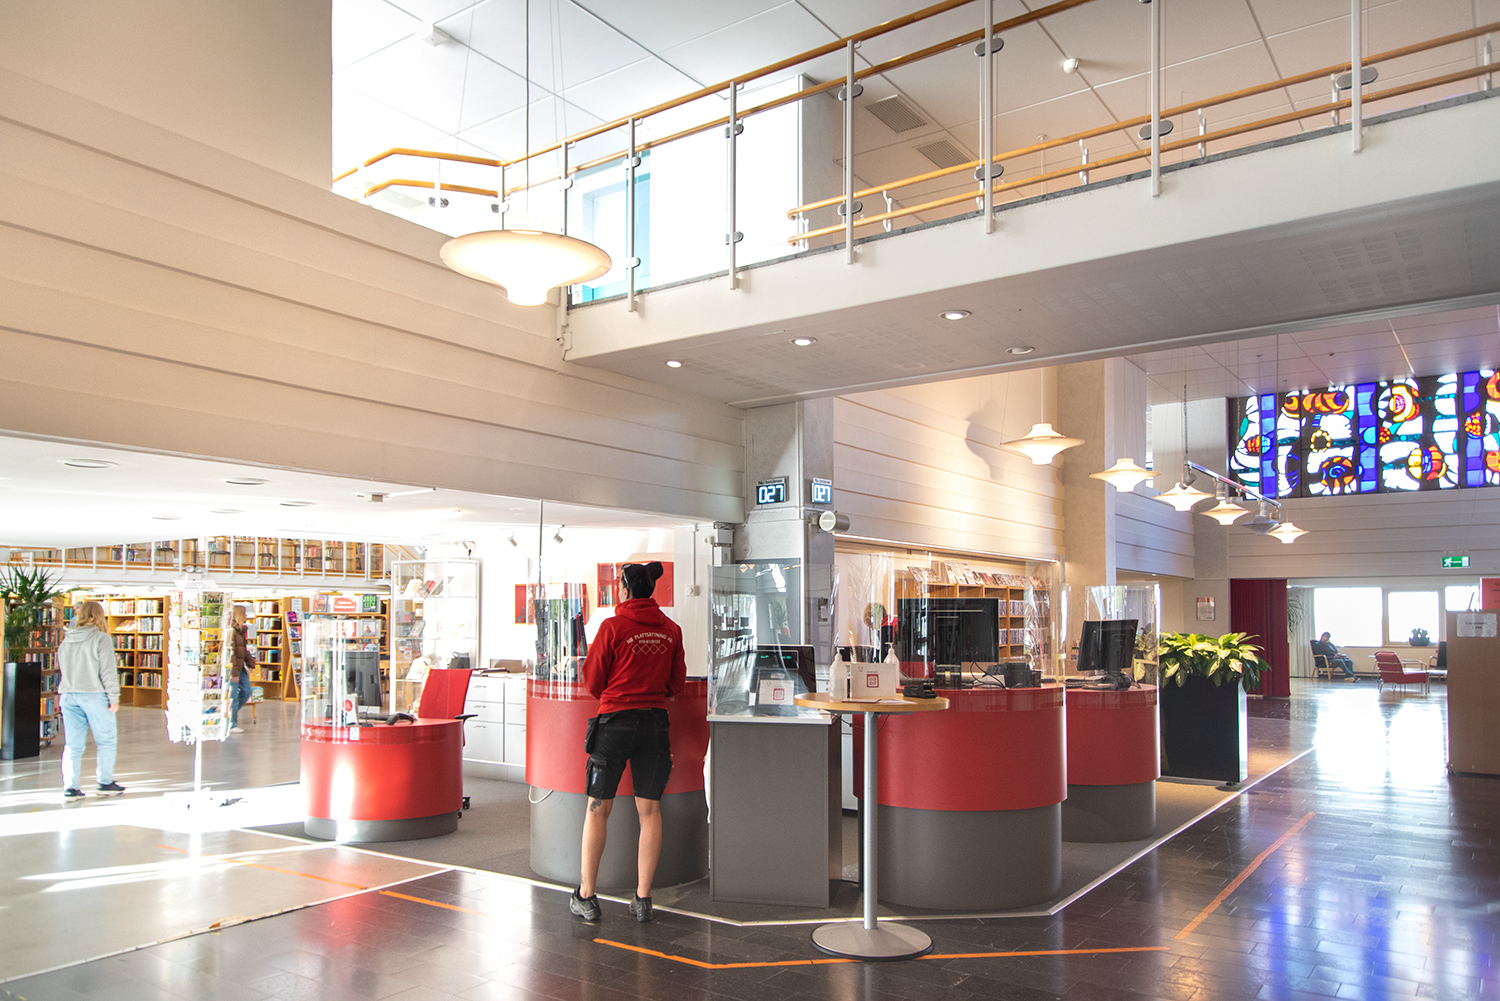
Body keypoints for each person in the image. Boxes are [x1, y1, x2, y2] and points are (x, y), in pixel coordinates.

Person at [570, 561, 686, 923]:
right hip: (655, 725)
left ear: (624, 590)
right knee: (649, 811)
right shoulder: (672, 630)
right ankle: (643, 899)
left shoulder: (612, 627)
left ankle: (587, 896)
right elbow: (677, 684)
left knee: (597, 808)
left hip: (614, 724)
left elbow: (592, 681)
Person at [57, 600, 125, 798]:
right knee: (106, 740)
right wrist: (113, 697)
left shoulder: (66, 640)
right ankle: (105, 782)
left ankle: (71, 787)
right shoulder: (101, 638)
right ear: (99, 616)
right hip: (94, 695)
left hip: (68, 695)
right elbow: (107, 671)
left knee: (73, 744)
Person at [229, 605, 256, 732]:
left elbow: (243, 650)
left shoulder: (240, 631)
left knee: (246, 691)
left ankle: (230, 714)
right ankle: (232, 724)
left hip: (241, 667)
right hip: (234, 669)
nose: (246, 617)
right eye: (244, 614)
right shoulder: (232, 632)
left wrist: (251, 663)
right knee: (233, 696)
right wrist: (234, 673)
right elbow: (232, 654)